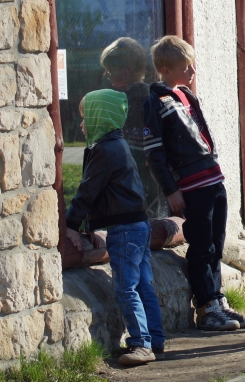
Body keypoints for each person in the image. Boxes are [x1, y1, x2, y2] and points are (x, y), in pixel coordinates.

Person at [143, 36, 245, 332]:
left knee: (216, 243)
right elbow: (154, 154)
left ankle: (217, 299)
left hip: (212, 178)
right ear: (165, 70)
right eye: (185, 66)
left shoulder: (187, 96)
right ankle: (205, 307)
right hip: (191, 185)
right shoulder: (157, 102)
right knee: (202, 244)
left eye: (192, 64)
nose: (192, 70)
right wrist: (171, 190)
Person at [65, 90, 165, 366]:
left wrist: (71, 224)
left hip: (125, 231)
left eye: (87, 118)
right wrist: (91, 227)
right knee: (144, 285)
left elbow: (88, 191)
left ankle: (141, 344)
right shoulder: (116, 145)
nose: (82, 125)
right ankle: (155, 339)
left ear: (101, 118)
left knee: (126, 288)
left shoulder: (104, 150)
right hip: (138, 225)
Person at [100, 37, 166, 217]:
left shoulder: (135, 101)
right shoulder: (147, 95)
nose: (106, 74)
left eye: (110, 70)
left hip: (141, 172)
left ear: (124, 73)